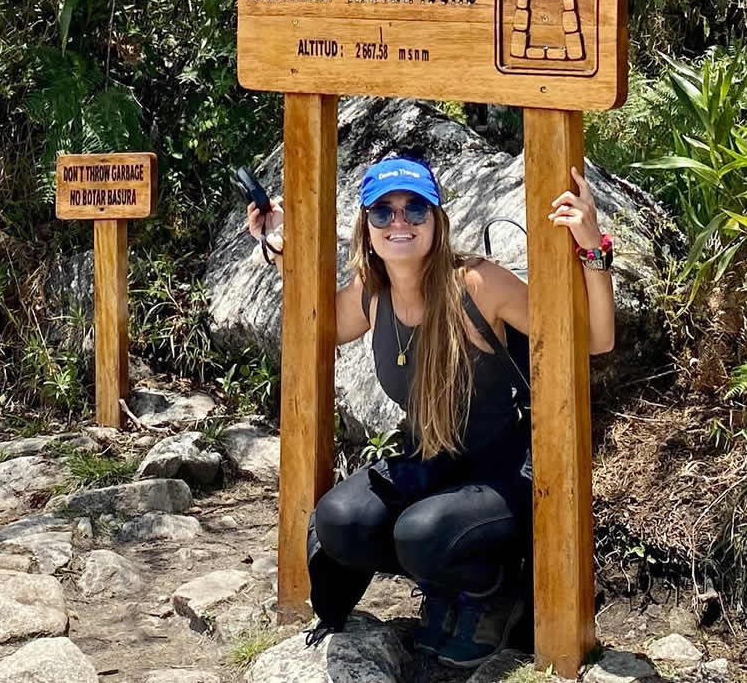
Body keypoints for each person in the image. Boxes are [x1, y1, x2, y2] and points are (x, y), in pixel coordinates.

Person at [246, 154, 615, 667]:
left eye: (416, 210)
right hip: (429, 461)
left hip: (503, 470)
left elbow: (595, 340)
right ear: (366, 226)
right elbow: (310, 326)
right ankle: (444, 586)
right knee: (339, 521)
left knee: (420, 533)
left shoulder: (479, 285)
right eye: (384, 212)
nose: (400, 223)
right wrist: (279, 246)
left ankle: (490, 591)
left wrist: (594, 250)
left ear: (437, 221)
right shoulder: (371, 294)